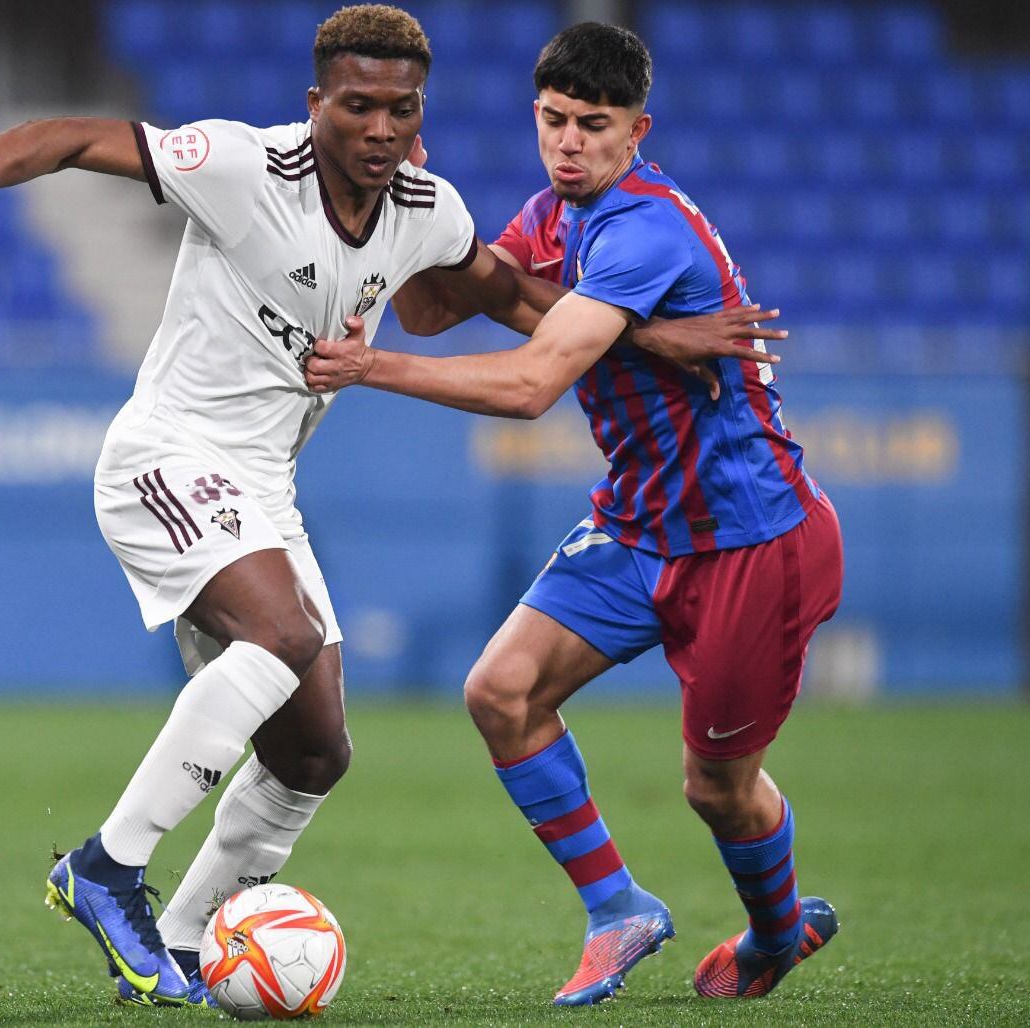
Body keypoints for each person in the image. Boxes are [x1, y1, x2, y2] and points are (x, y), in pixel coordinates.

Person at [0, 5, 780, 1009]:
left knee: (315, 748)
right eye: (359, 106)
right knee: (280, 636)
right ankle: (107, 866)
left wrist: (647, 338)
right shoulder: (241, 167)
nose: (379, 130)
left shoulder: (424, 205)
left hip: (263, 486)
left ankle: (188, 942)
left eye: (400, 110)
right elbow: (52, 138)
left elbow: (512, 299)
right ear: (315, 103)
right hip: (167, 454)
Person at [306, 21, 843, 1006]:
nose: (567, 143)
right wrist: (412, 203)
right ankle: (616, 908)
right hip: (639, 524)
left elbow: (529, 385)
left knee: (713, 786)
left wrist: (367, 366)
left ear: (636, 129)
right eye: (552, 120)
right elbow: (435, 305)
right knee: (499, 690)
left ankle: (775, 931)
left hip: (749, 540)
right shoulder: (552, 214)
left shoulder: (643, 228)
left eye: (592, 126)